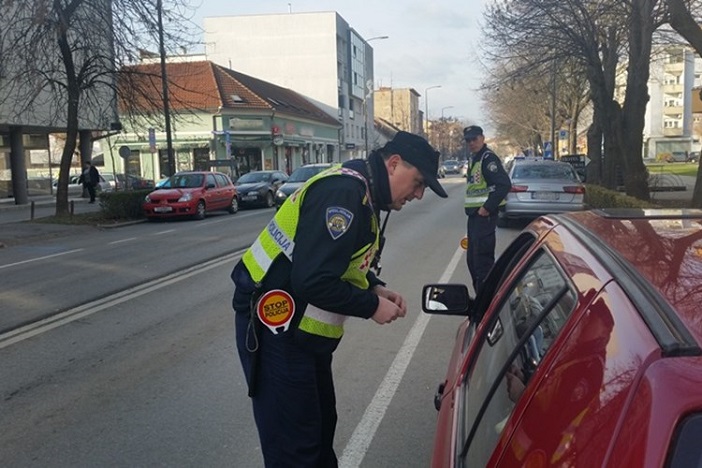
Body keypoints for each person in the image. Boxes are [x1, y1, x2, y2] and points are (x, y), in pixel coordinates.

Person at [230, 131, 447, 467]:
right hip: (276, 329)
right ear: (393, 164)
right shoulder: (344, 193)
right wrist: (371, 306)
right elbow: (313, 279)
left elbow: (337, 260)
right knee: (296, 446)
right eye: (418, 182)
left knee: (317, 431)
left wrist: (372, 287)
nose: (418, 195)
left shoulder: (361, 192)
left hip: (299, 335)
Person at [463, 125, 511, 294]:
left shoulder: (488, 159)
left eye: (474, 139)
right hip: (474, 217)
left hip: (484, 217)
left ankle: (486, 303)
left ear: (482, 138)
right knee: (473, 262)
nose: (471, 142)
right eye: (468, 140)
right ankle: (482, 298)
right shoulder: (475, 158)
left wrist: (487, 207)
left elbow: (504, 184)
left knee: (482, 263)